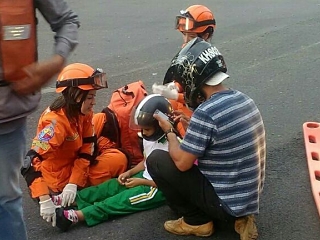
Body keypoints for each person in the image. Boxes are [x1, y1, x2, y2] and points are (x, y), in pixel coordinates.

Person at [147, 37, 266, 240]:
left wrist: (170, 132)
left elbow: (182, 163)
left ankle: (196, 221)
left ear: (194, 79)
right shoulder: (243, 98)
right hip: (248, 198)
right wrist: (190, 122)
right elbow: (222, 134)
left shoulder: (206, 112)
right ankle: (242, 218)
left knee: (157, 160)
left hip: (224, 204)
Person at [0, 1, 79, 239]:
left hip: (7, 120)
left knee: (6, 202)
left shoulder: (75, 120)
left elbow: (67, 20)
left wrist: (56, 61)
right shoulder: (55, 121)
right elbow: (34, 162)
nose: (92, 101)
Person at [21, 63, 127, 228]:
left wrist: (74, 183)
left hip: (73, 164)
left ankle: (71, 189)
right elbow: (29, 162)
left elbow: (87, 148)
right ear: (77, 96)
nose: (94, 102)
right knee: (119, 159)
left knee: (101, 119)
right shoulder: (54, 125)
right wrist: (44, 198)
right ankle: (60, 197)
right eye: (90, 97)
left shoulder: (82, 112)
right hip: (60, 177)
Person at [53, 94, 176, 231]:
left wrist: (141, 182)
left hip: (156, 189)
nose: (143, 133)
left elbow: (171, 182)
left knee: (121, 201)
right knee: (110, 186)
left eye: (146, 129)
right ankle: (72, 199)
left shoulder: (172, 146)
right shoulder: (150, 137)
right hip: (145, 176)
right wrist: (130, 172)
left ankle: (78, 215)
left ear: (159, 126)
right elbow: (147, 161)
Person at [153, 4, 216, 136]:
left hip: (200, 114)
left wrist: (176, 96)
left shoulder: (207, 61)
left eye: (191, 37)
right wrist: (175, 86)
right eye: (184, 35)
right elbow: (184, 78)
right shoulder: (189, 51)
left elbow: (204, 99)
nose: (186, 41)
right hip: (186, 105)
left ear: (206, 35)